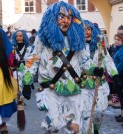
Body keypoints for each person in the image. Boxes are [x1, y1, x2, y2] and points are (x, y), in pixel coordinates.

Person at [22, 2, 104, 133]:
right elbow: (32, 59)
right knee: (53, 125)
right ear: (52, 18)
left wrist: (94, 69)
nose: (66, 21)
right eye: (61, 16)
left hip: (74, 89)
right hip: (51, 89)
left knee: (74, 128)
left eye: (69, 17)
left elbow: (84, 59)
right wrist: (27, 81)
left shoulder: (77, 38)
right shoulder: (42, 39)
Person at [82, 20, 119, 134]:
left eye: (89, 29)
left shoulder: (100, 44)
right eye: (84, 29)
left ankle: (96, 129)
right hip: (84, 87)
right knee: (86, 115)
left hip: (100, 86)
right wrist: (91, 70)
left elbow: (107, 59)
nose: (87, 32)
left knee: (98, 113)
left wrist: (115, 75)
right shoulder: (77, 47)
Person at [11, 30, 34, 100]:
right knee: (18, 87)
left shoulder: (30, 48)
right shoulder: (12, 48)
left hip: (26, 70)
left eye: (20, 36)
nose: (18, 38)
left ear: (24, 37)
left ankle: (21, 99)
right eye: (17, 36)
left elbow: (31, 61)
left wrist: (29, 71)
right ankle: (19, 101)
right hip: (16, 71)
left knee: (25, 86)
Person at [112, 33, 123, 122]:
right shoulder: (117, 50)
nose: (116, 41)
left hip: (120, 76)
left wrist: (115, 72)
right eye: (115, 39)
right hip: (117, 76)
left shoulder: (121, 51)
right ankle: (122, 114)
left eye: (118, 40)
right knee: (120, 96)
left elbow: (122, 64)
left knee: (122, 96)